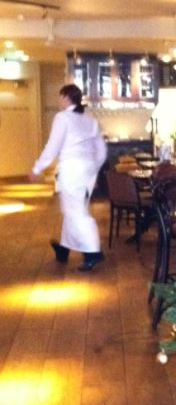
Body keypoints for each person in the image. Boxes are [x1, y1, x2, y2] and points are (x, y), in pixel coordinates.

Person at [29, 84, 107, 271]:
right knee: (73, 209)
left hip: (71, 171)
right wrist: (93, 169)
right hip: (87, 172)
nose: (58, 101)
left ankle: (93, 253)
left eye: (59, 96)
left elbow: (53, 146)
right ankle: (63, 250)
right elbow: (102, 150)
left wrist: (37, 168)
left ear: (65, 97)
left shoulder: (62, 117)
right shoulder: (90, 120)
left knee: (77, 212)